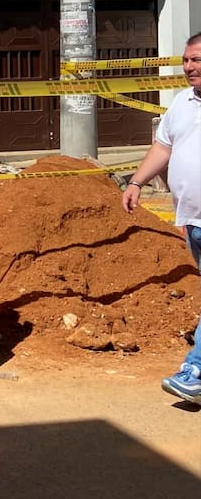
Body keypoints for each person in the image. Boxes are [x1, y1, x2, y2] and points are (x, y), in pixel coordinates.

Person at [121, 33, 201, 405]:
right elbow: (163, 147)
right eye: (186, 60)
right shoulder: (181, 103)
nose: (189, 67)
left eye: (197, 60)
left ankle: (195, 372)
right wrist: (136, 181)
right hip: (193, 222)